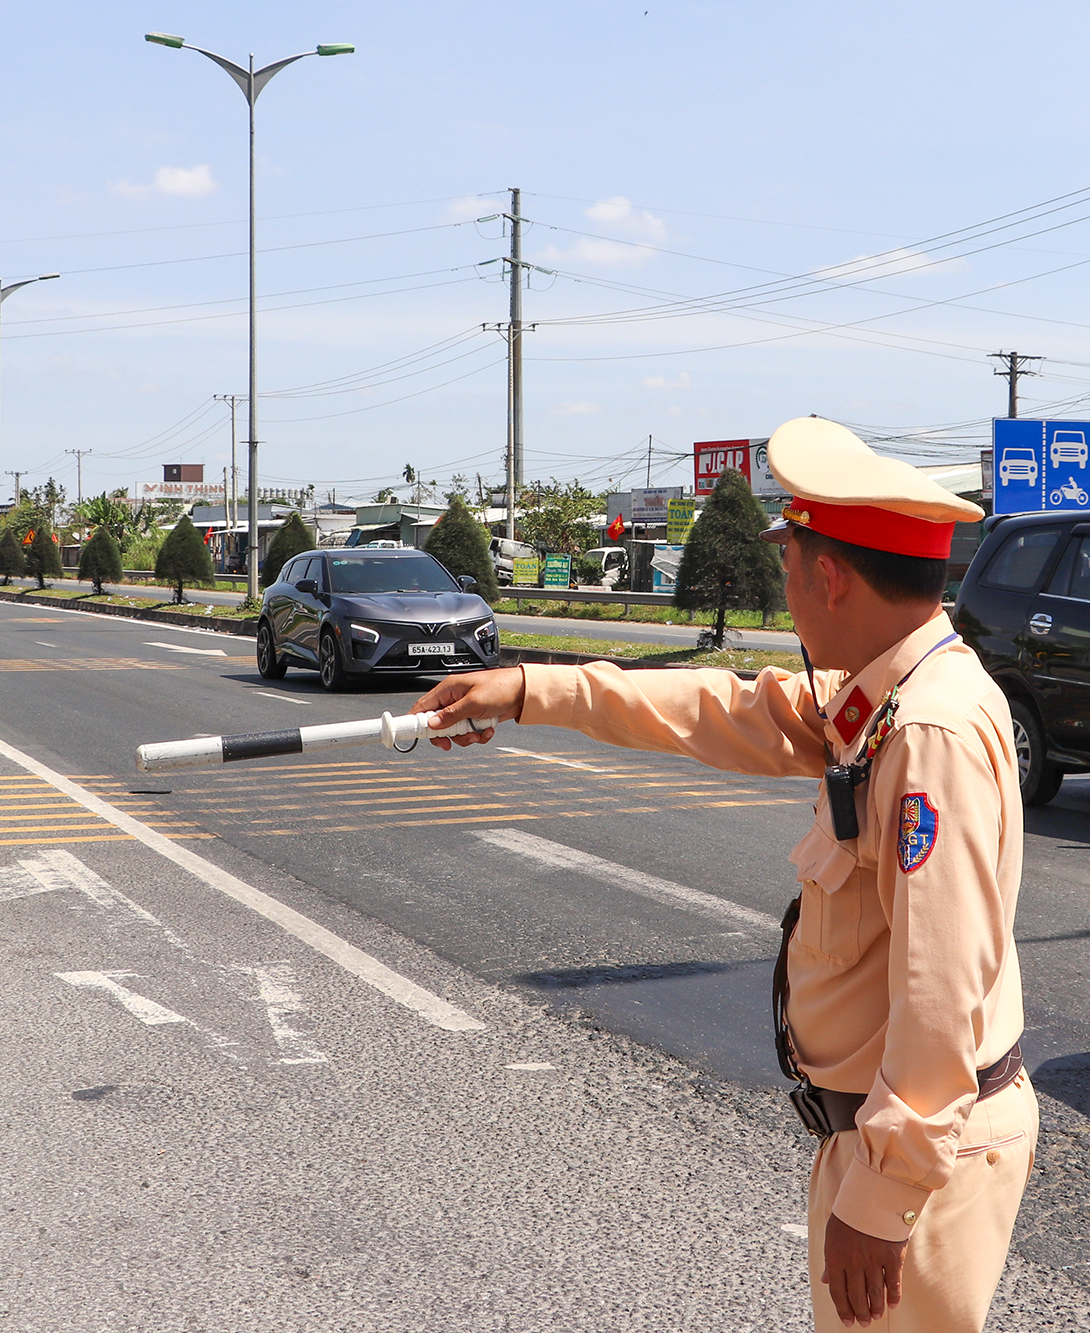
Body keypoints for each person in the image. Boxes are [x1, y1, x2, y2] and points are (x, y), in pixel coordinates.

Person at [410, 416, 1034, 1332]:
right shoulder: (886, 697)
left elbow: (941, 990)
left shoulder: (928, 728)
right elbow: (719, 707)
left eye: (790, 569)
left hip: (915, 1152)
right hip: (882, 1138)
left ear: (829, 573)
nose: (786, 595)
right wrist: (528, 689)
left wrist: (884, 1196)